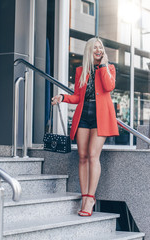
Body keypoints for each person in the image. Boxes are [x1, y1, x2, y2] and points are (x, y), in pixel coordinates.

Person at [51, 37, 119, 216]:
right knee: (82, 156)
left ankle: (90, 198)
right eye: (95, 47)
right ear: (89, 50)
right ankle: (84, 196)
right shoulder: (81, 70)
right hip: (83, 115)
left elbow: (109, 86)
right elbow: (77, 97)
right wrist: (63, 97)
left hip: (100, 117)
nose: (98, 50)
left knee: (93, 156)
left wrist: (103, 66)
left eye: (100, 47)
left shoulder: (109, 68)